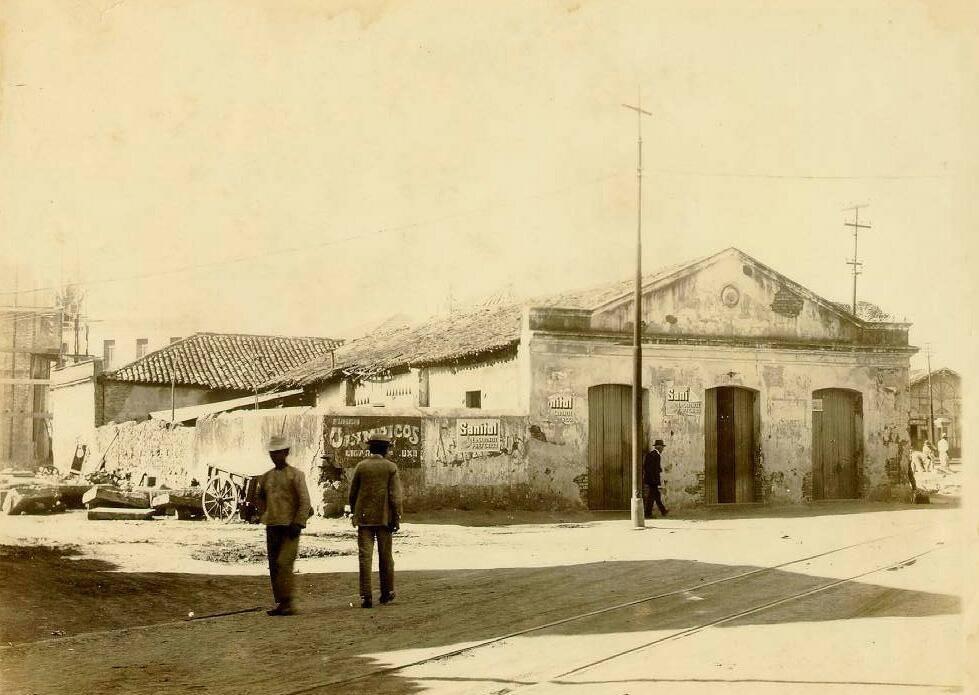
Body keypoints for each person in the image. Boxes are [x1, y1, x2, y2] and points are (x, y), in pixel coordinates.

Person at [255, 435, 313, 616]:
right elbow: (260, 498)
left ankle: (288, 602)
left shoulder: (296, 475)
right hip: (272, 526)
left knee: (284, 563)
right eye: (272, 453)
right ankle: (280, 602)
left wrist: (298, 522)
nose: (275, 456)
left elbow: (305, 501)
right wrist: (264, 513)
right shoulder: (265, 477)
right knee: (273, 565)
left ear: (286, 453)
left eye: (279, 453)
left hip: (290, 527)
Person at [349, 434, 404, 608]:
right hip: (384, 519)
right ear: (386, 449)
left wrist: (355, 512)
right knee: (385, 556)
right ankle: (386, 593)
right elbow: (395, 497)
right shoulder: (390, 467)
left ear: (370, 448)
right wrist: (396, 517)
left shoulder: (361, 466)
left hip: (364, 518)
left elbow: (352, 494)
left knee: (365, 557)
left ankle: (366, 596)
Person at [642, 438, 669, 518]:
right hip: (652, 480)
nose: (663, 449)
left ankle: (663, 511)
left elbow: (649, 467)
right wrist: (655, 480)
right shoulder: (656, 455)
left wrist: (658, 469)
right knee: (651, 497)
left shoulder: (651, 454)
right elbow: (651, 469)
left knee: (656, 496)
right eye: (662, 447)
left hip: (651, 479)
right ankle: (647, 514)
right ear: (658, 447)